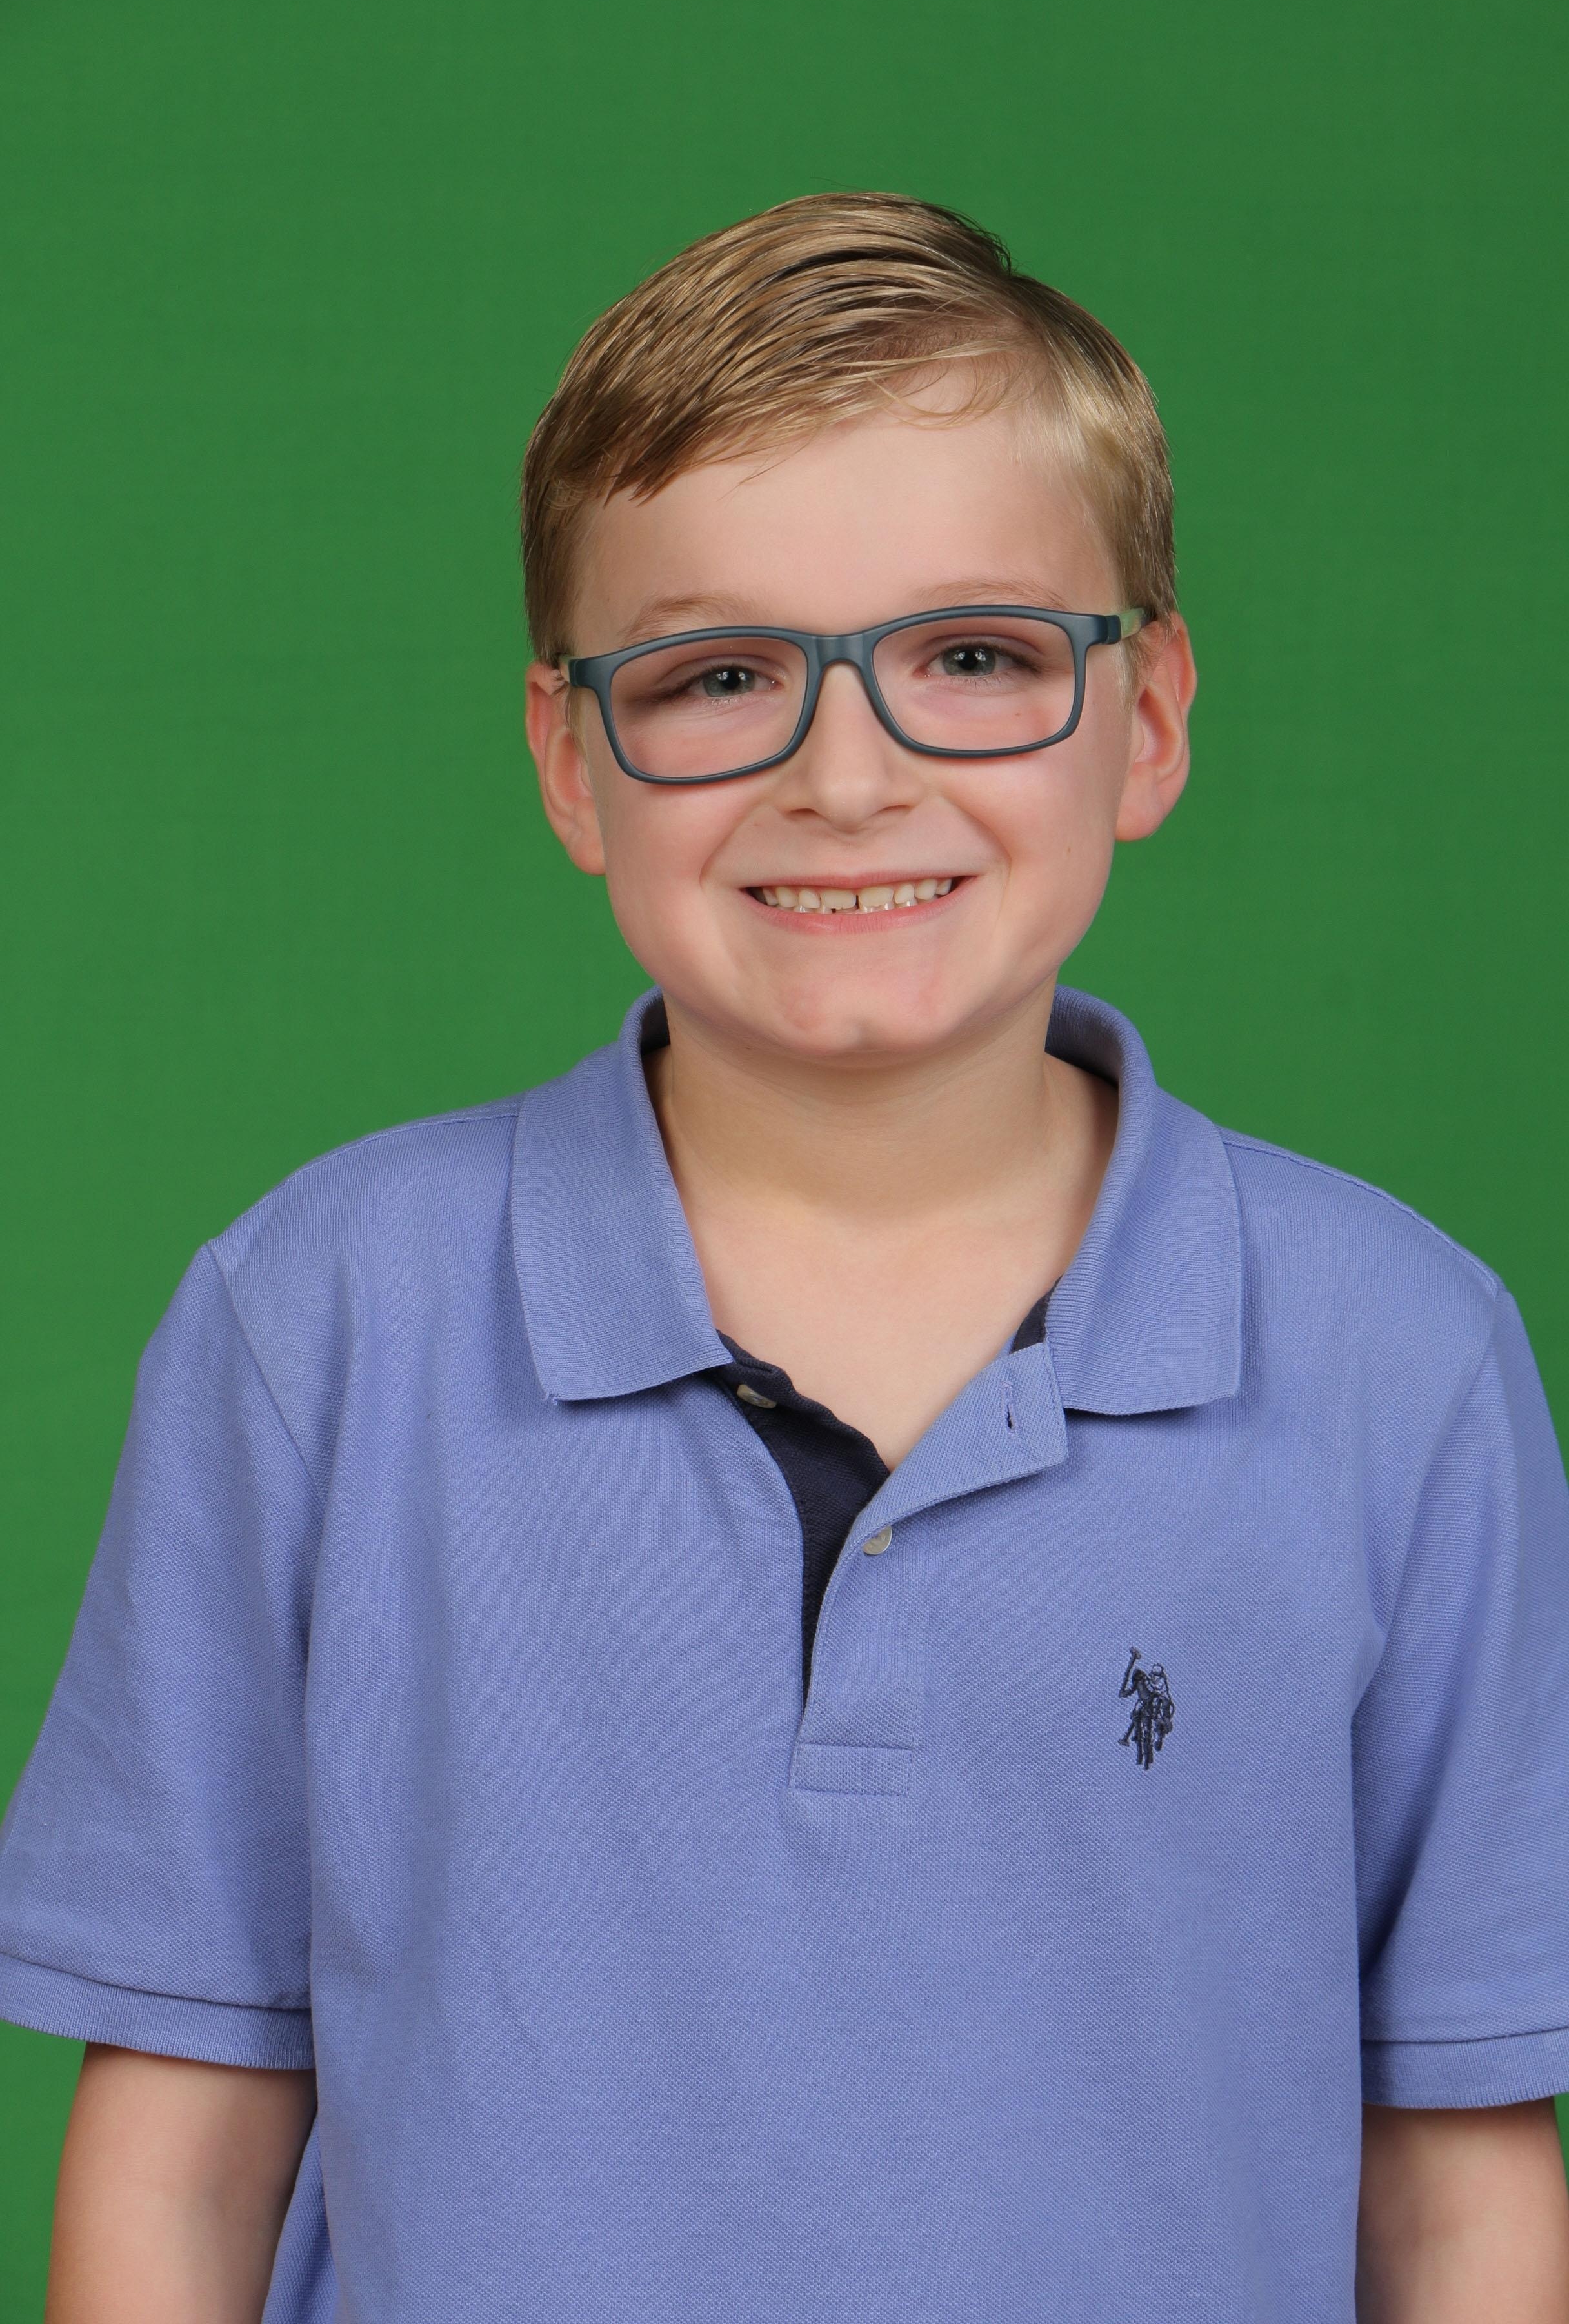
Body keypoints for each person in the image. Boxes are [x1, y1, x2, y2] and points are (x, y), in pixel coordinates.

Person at [3, 192, 1567, 2324]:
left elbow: (1456, 2176)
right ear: (572, 760)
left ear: (1150, 720)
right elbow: (184, 2145)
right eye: (720, 674)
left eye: (975, 658)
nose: (849, 775)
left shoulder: (1402, 1361)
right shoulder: (316, 1328)